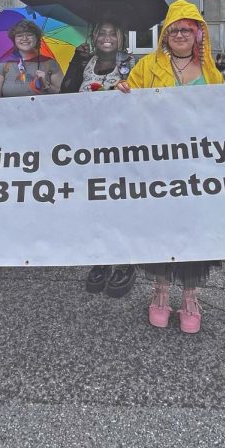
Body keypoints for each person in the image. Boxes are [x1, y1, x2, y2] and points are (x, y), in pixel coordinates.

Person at [116, 0, 225, 334]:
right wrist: (122, 93)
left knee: (193, 227)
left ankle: (190, 296)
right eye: (173, 29)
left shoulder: (212, 72)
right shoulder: (147, 66)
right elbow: (125, 109)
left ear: (197, 34)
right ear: (165, 34)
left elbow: (224, 115)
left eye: (186, 29)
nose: (179, 34)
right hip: (157, 167)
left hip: (196, 165)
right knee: (159, 227)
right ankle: (160, 292)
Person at [61, 19, 137, 299]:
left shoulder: (131, 63)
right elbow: (65, 95)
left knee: (122, 202)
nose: (107, 38)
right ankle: (102, 259)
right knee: (96, 203)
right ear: (94, 37)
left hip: (120, 145)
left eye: (112, 33)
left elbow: (141, 101)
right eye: (102, 33)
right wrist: (73, 62)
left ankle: (126, 262)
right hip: (88, 144)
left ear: (121, 37)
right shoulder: (84, 61)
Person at [0, 20, 63, 98]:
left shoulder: (50, 63)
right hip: (11, 110)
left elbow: (64, 97)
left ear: (37, 38)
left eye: (29, 35)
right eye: (19, 35)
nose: (24, 38)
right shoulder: (3, 65)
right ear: (14, 40)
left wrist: (46, 85)